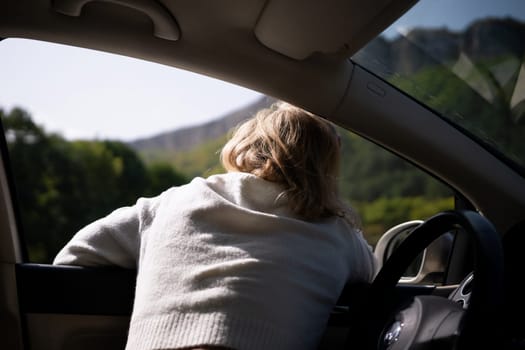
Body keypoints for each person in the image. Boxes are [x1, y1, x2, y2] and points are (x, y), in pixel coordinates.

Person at [53, 101, 377, 350]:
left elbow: (76, 253)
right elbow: (373, 272)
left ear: (242, 147)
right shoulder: (337, 232)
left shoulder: (172, 202)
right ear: (324, 166)